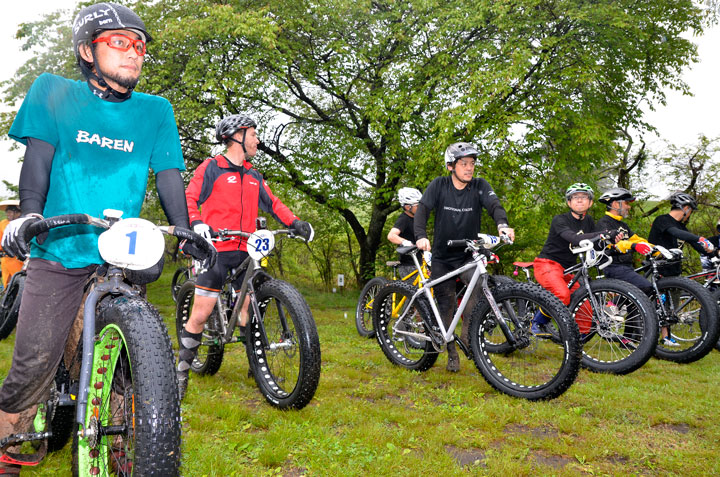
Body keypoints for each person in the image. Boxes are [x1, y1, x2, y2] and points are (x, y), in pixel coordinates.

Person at [0, 4, 211, 472]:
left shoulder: (156, 111)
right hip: (59, 249)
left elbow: (170, 176)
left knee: (121, 364)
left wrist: (189, 228)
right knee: (36, 358)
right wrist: (29, 214)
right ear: (86, 51)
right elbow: (37, 161)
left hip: (120, 253)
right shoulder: (53, 92)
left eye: (139, 45)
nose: (133, 53)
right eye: (119, 42)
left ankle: (120, 445)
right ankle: (9, 445)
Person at [177, 114, 314, 400]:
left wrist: (295, 223)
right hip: (215, 251)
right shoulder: (211, 167)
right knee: (200, 314)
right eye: (253, 134)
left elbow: (273, 204)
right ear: (237, 135)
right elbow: (189, 197)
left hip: (246, 250)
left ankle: (258, 365)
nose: (257, 140)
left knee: (248, 311)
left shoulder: (253, 175)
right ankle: (180, 373)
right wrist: (196, 222)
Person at [414, 142, 515, 372]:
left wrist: (503, 225)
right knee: (446, 304)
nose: (469, 168)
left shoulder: (479, 186)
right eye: (463, 164)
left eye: (472, 164)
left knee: (478, 287)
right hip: (443, 256)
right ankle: (451, 352)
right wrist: (420, 236)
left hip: (469, 254)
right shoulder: (439, 185)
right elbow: (422, 210)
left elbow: (494, 205)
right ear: (451, 166)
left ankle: (467, 334)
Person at [532, 183, 615, 336]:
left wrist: (612, 240)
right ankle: (537, 322)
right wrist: (605, 233)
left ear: (590, 202)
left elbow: (594, 243)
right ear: (569, 202)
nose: (579, 200)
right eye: (575, 197)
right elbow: (573, 238)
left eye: (584, 197)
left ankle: (579, 339)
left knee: (584, 304)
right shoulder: (560, 219)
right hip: (547, 264)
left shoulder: (588, 221)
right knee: (562, 295)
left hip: (569, 268)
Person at [648, 192, 715, 345]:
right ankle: (642, 335)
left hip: (674, 271)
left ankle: (666, 337)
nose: (690, 214)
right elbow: (675, 233)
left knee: (671, 308)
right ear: (685, 208)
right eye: (690, 210)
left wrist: (714, 252)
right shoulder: (663, 220)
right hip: (658, 270)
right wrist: (699, 238)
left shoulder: (681, 226)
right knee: (658, 305)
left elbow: (695, 244)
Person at [387, 187, 423, 279]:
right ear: (408, 207)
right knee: (417, 292)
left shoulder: (417, 219)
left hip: (420, 262)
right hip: (409, 265)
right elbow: (391, 235)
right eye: (417, 206)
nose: (420, 208)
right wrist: (405, 242)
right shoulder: (403, 219)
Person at [0, 201, 23, 288]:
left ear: (17, 213)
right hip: (5, 259)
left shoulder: (22, 223)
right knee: (7, 286)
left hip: (17, 259)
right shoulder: (3, 223)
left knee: (19, 284)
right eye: (7, 212)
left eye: (10, 212)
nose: (7, 214)